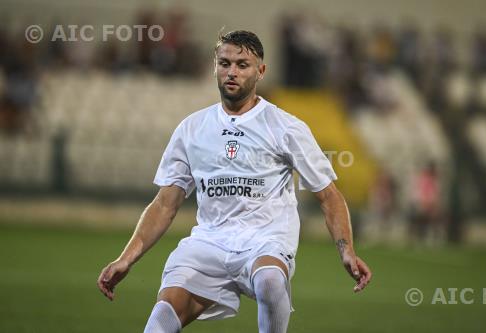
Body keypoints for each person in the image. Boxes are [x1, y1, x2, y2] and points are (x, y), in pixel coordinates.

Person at [97, 30, 372, 333]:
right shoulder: (192, 129)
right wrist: (126, 259)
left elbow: (329, 196)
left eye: (243, 65)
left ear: (260, 71)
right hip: (209, 243)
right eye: (225, 63)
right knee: (160, 320)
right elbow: (164, 204)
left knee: (269, 280)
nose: (232, 72)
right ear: (215, 67)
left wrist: (346, 250)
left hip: (265, 240)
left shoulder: (286, 127)